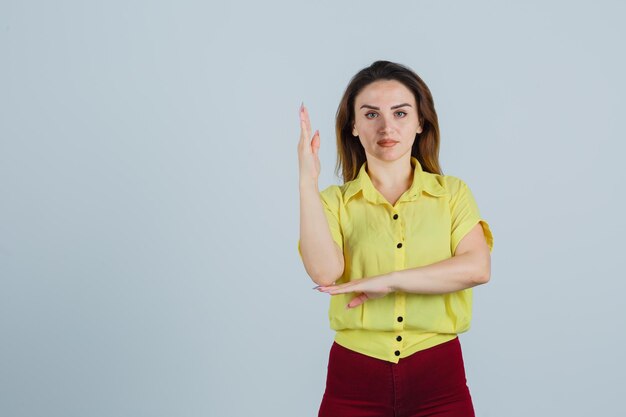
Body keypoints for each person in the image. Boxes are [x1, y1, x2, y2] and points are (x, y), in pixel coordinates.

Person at [297, 60, 494, 417]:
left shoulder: (452, 194)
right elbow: (325, 273)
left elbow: (477, 268)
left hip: (439, 376)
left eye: (400, 113)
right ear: (353, 126)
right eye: (371, 115)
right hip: (354, 376)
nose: (387, 126)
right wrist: (307, 184)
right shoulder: (334, 202)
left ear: (421, 122)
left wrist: (388, 282)